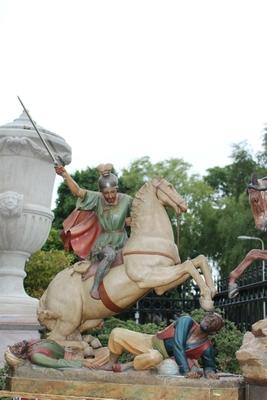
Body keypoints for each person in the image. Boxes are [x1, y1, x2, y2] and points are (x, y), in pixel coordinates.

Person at [55, 163, 133, 299]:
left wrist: (131, 221)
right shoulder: (97, 199)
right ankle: (95, 287)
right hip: (104, 244)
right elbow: (78, 192)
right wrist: (65, 175)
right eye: (106, 193)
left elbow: (137, 215)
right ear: (101, 192)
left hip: (123, 241)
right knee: (109, 256)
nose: (109, 196)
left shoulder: (127, 200)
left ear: (117, 189)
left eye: (112, 192)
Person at [101, 313, 224, 379]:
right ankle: (111, 362)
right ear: (205, 316)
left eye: (215, 322)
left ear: (214, 331)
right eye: (211, 317)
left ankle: (128, 365)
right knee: (116, 333)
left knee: (154, 358)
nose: (211, 320)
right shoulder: (187, 321)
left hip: (161, 357)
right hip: (151, 341)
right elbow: (178, 345)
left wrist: (210, 373)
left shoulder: (206, 347)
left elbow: (209, 366)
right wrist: (186, 371)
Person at [4, 339, 107, 369]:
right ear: (20, 356)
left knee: (106, 351)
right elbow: (59, 363)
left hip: (73, 351)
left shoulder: (31, 344)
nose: (17, 345)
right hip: (75, 357)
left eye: (14, 347)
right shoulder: (36, 356)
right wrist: (82, 363)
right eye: (15, 350)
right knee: (106, 352)